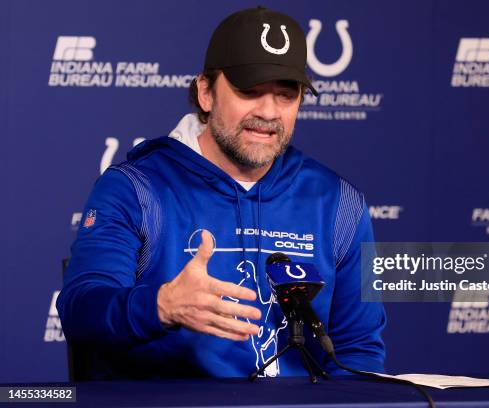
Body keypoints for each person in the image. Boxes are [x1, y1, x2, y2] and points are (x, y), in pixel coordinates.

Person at [58, 6, 385, 379]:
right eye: (249, 91)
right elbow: (80, 310)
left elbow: (358, 351)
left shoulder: (338, 203)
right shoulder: (136, 188)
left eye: (285, 94)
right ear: (206, 93)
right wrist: (161, 305)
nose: (268, 112)